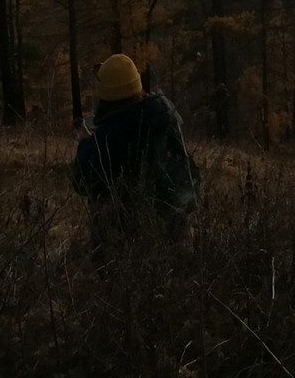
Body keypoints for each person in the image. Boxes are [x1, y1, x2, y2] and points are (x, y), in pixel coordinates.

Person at [72, 53, 202, 242]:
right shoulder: (163, 116)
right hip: (174, 230)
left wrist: (85, 143)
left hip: (126, 244)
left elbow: (82, 182)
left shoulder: (108, 136)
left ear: (105, 94)